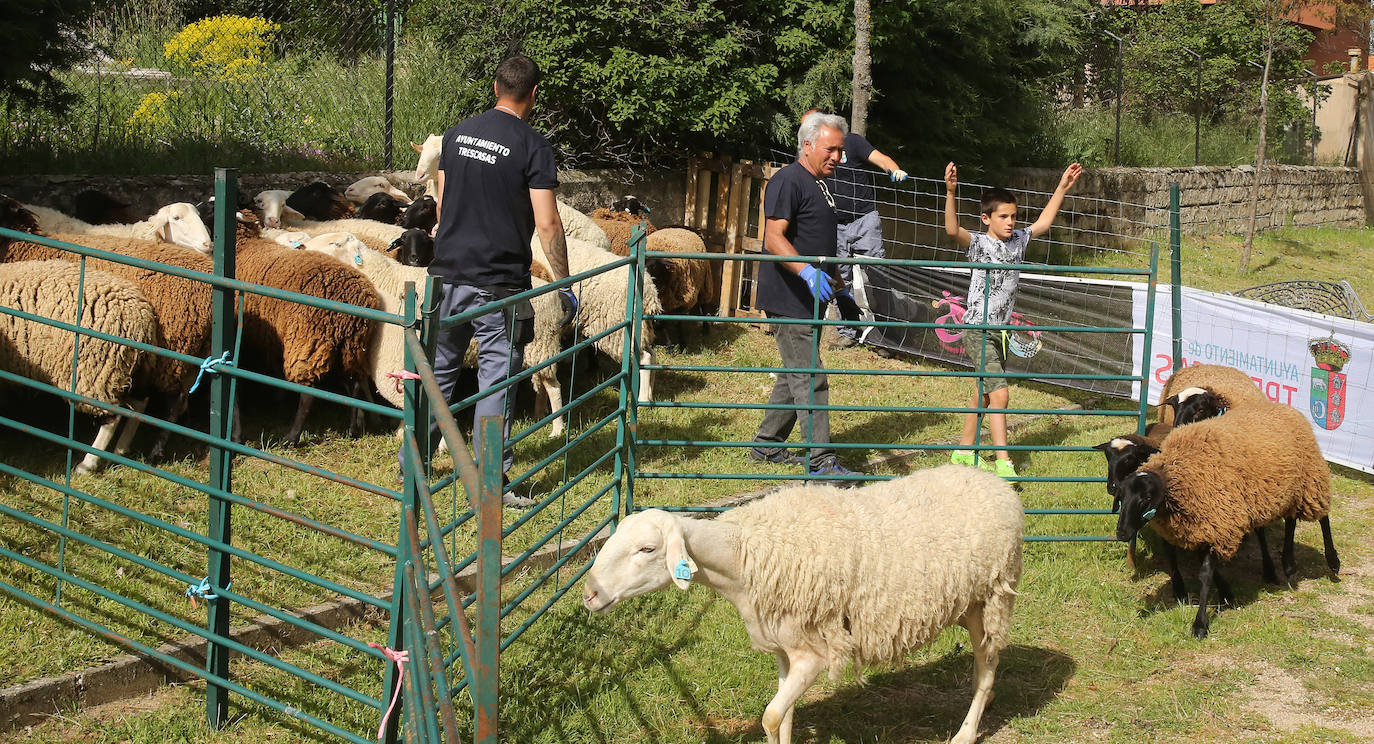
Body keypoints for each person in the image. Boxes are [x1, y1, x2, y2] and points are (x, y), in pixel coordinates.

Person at [408, 55, 574, 507]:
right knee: (496, 380)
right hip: (499, 284)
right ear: (534, 94)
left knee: (438, 371)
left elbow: (442, 206)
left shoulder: (456, 135)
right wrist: (563, 282)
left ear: (495, 86)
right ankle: (490, 481)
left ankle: (415, 462)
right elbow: (548, 223)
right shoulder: (533, 146)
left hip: (446, 277)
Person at [943, 161, 1082, 477]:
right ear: (986, 218)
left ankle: (963, 453)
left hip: (1000, 331)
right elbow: (952, 230)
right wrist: (951, 192)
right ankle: (1003, 461)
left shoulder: (1018, 240)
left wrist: (1061, 187)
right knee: (1000, 394)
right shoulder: (979, 243)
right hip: (977, 328)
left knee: (984, 393)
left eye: (1013, 216)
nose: (1009, 222)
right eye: (1002, 216)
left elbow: (1043, 223)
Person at [749, 112, 859, 478]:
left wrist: (841, 292)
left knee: (793, 373)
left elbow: (820, 244)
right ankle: (821, 461)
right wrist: (807, 272)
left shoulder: (821, 184)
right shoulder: (787, 180)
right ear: (808, 145)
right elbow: (773, 238)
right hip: (789, 297)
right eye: (831, 149)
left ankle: (766, 447)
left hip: (812, 298)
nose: (837, 157)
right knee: (810, 376)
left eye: (840, 151)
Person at [799, 110, 907, 350]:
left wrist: (894, 170)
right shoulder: (808, 154)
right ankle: (848, 332)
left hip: (864, 221)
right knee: (840, 278)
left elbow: (881, 159)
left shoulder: (852, 142)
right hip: (832, 225)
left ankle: (887, 333)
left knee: (877, 274)